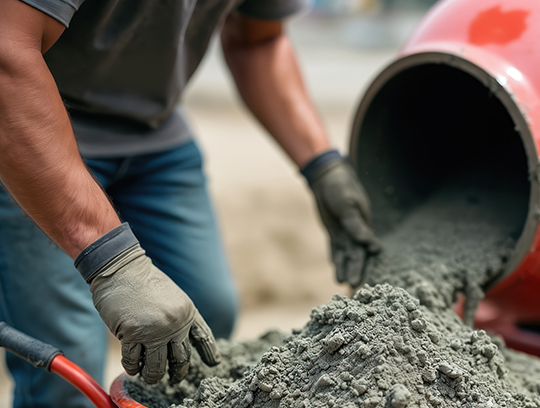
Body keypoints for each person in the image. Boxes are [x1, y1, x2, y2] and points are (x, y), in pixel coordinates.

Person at [0, 0, 381, 406]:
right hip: (34, 124)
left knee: (205, 318)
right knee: (69, 363)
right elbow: (8, 54)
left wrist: (323, 167)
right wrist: (113, 260)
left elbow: (258, 41)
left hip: (156, 134)